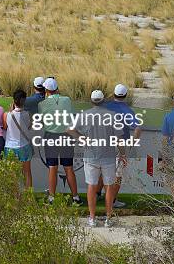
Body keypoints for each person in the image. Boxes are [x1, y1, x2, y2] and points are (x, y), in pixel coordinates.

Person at [73, 90, 125, 228]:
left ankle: (92, 218)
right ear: (103, 100)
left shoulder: (84, 115)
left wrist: (81, 138)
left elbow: (70, 129)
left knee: (91, 186)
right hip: (108, 156)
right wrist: (123, 154)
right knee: (109, 187)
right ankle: (108, 218)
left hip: (90, 155)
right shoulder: (112, 116)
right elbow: (119, 138)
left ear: (91, 101)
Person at [38, 77, 81, 205]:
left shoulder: (42, 104)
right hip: (66, 136)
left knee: (52, 167)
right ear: (56, 89)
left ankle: (51, 198)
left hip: (51, 136)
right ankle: (76, 198)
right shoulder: (67, 100)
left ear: (46, 90)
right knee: (68, 168)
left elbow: (41, 121)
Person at [104, 84, 141, 209]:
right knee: (118, 175)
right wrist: (132, 143)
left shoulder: (105, 106)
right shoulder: (127, 110)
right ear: (125, 95)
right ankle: (113, 200)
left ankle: (101, 195)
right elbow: (137, 128)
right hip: (120, 145)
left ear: (114, 93)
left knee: (104, 171)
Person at [3, 89, 33, 188]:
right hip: (24, 146)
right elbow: (29, 126)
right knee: (27, 173)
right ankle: (28, 197)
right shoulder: (27, 114)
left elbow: (5, 127)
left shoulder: (6, 114)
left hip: (10, 147)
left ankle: (15, 199)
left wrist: (11, 111)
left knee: (12, 175)